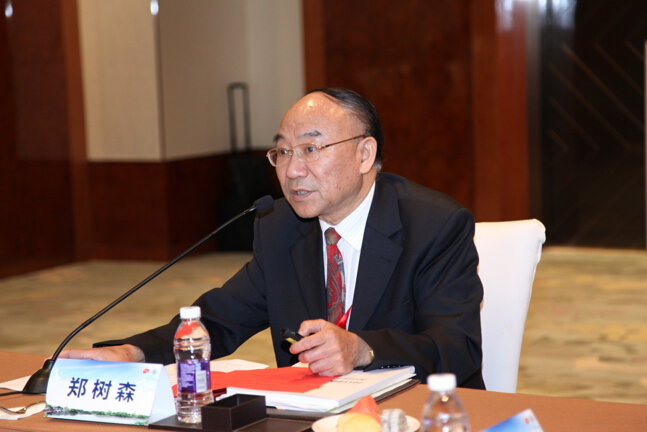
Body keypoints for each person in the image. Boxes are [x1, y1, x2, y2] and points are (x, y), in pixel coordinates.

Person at [61, 88, 485, 389]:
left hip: (412, 413)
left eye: (311, 150)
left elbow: (457, 347)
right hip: (313, 415)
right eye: (282, 152)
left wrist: (363, 349)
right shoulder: (280, 225)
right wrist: (133, 353)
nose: (292, 170)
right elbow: (220, 320)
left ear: (364, 155)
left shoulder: (434, 225)